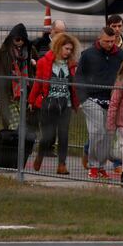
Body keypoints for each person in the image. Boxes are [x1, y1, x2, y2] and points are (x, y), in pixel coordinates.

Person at [77, 27, 123, 179]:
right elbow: (79, 76)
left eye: (112, 41)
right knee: (97, 131)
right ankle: (93, 165)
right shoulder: (88, 54)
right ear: (99, 39)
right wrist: (82, 97)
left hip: (111, 101)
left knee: (107, 136)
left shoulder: (120, 55)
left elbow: (122, 76)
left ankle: (102, 167)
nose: (110, 44)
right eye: (106, 41)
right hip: (91, 99)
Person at [28, 33, 80, 175]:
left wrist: (76, 103)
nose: (68, 52)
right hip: (49, 103)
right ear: (58, 47)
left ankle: (62, 165)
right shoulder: (44, 62)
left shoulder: (71, 64)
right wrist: (31, 101)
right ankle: (40, 154)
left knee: (63, 135)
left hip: (65, 104)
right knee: (48, 136)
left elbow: (73, 86)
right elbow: (38, 83)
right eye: (66, 48)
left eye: (70, 49)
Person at [0, 23, 37, 130]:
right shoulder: (2, 52)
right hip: (8, 95)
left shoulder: (31, 51)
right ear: (11, 38)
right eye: (17, 39)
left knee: (26, 127)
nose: (20, 42)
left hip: (26, 95)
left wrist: (35, 64)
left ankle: (22, 147)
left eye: (22, 39)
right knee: (12, 127)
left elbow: (39, 70)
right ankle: (12, 146)